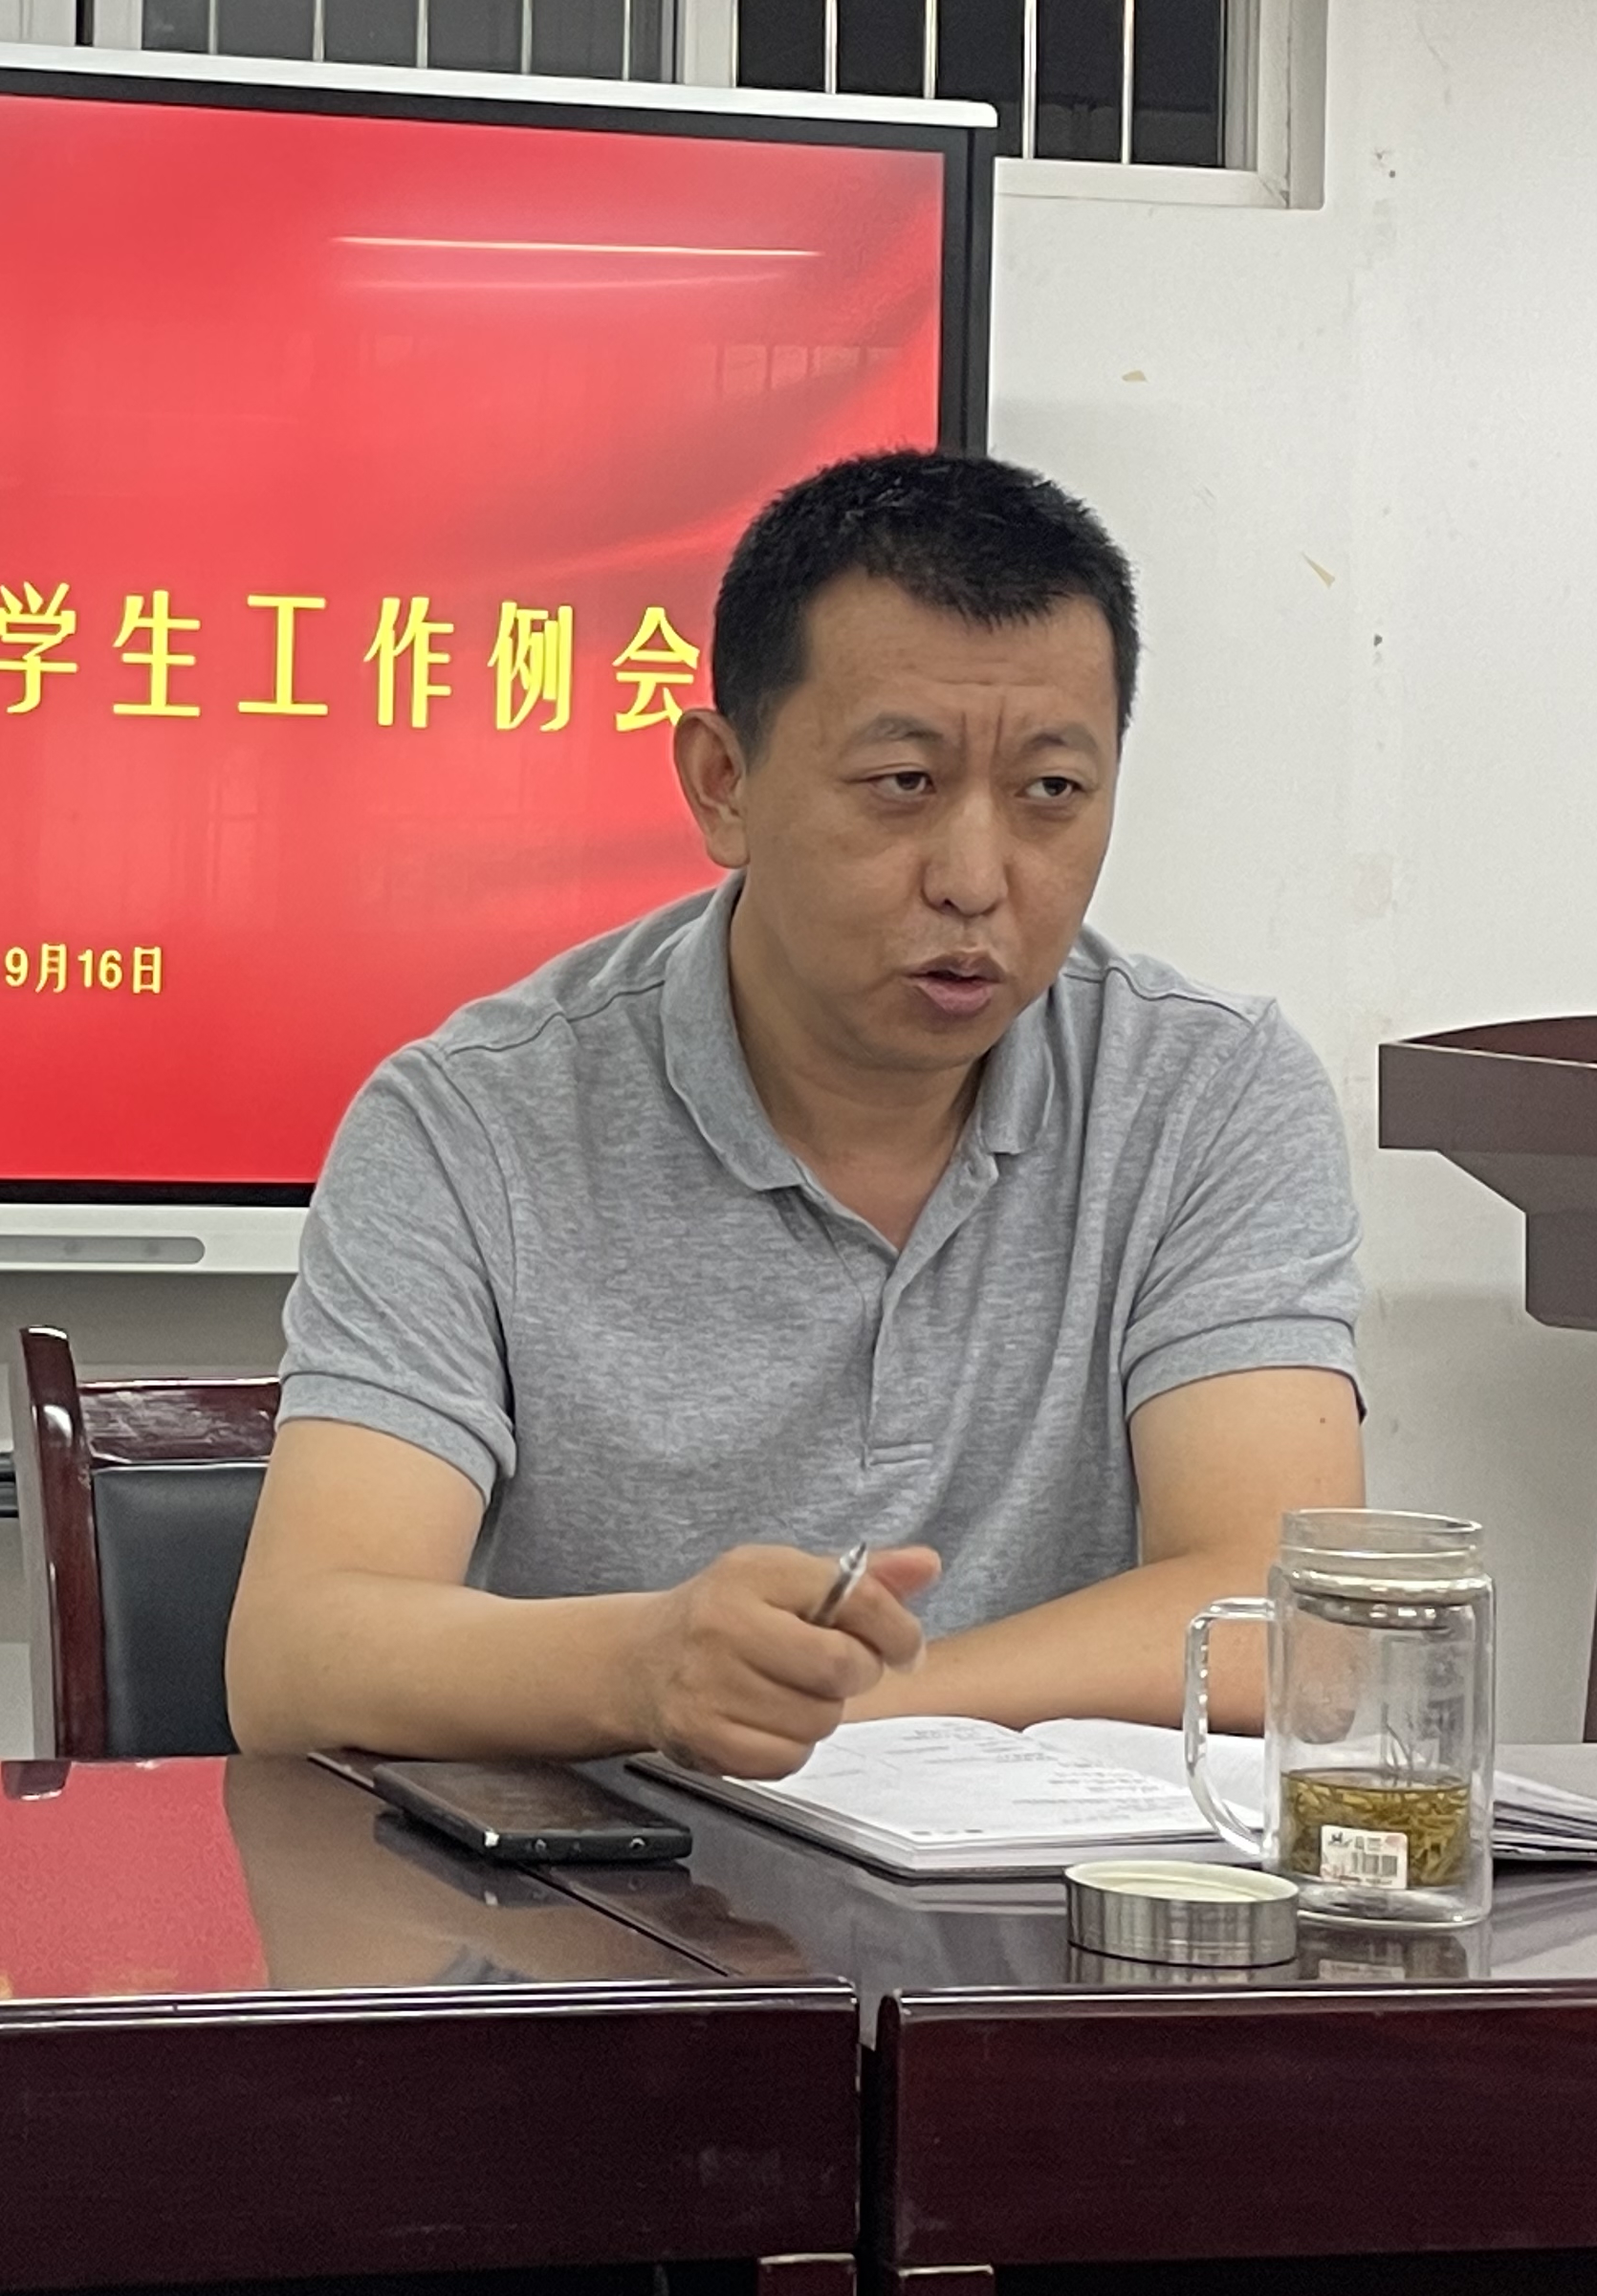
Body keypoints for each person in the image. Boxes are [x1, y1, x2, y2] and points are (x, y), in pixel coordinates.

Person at [225, 450, 1364, 1778]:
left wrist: (825, 1718)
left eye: (1052, 791)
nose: (976, 877)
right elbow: (298, 1659)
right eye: (904, 783)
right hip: (623, 1894)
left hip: (1053, 1904)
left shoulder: (1210, 1093)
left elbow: (1290, 1629)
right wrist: (646, 1667)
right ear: (724, 783)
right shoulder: (473, 1122)